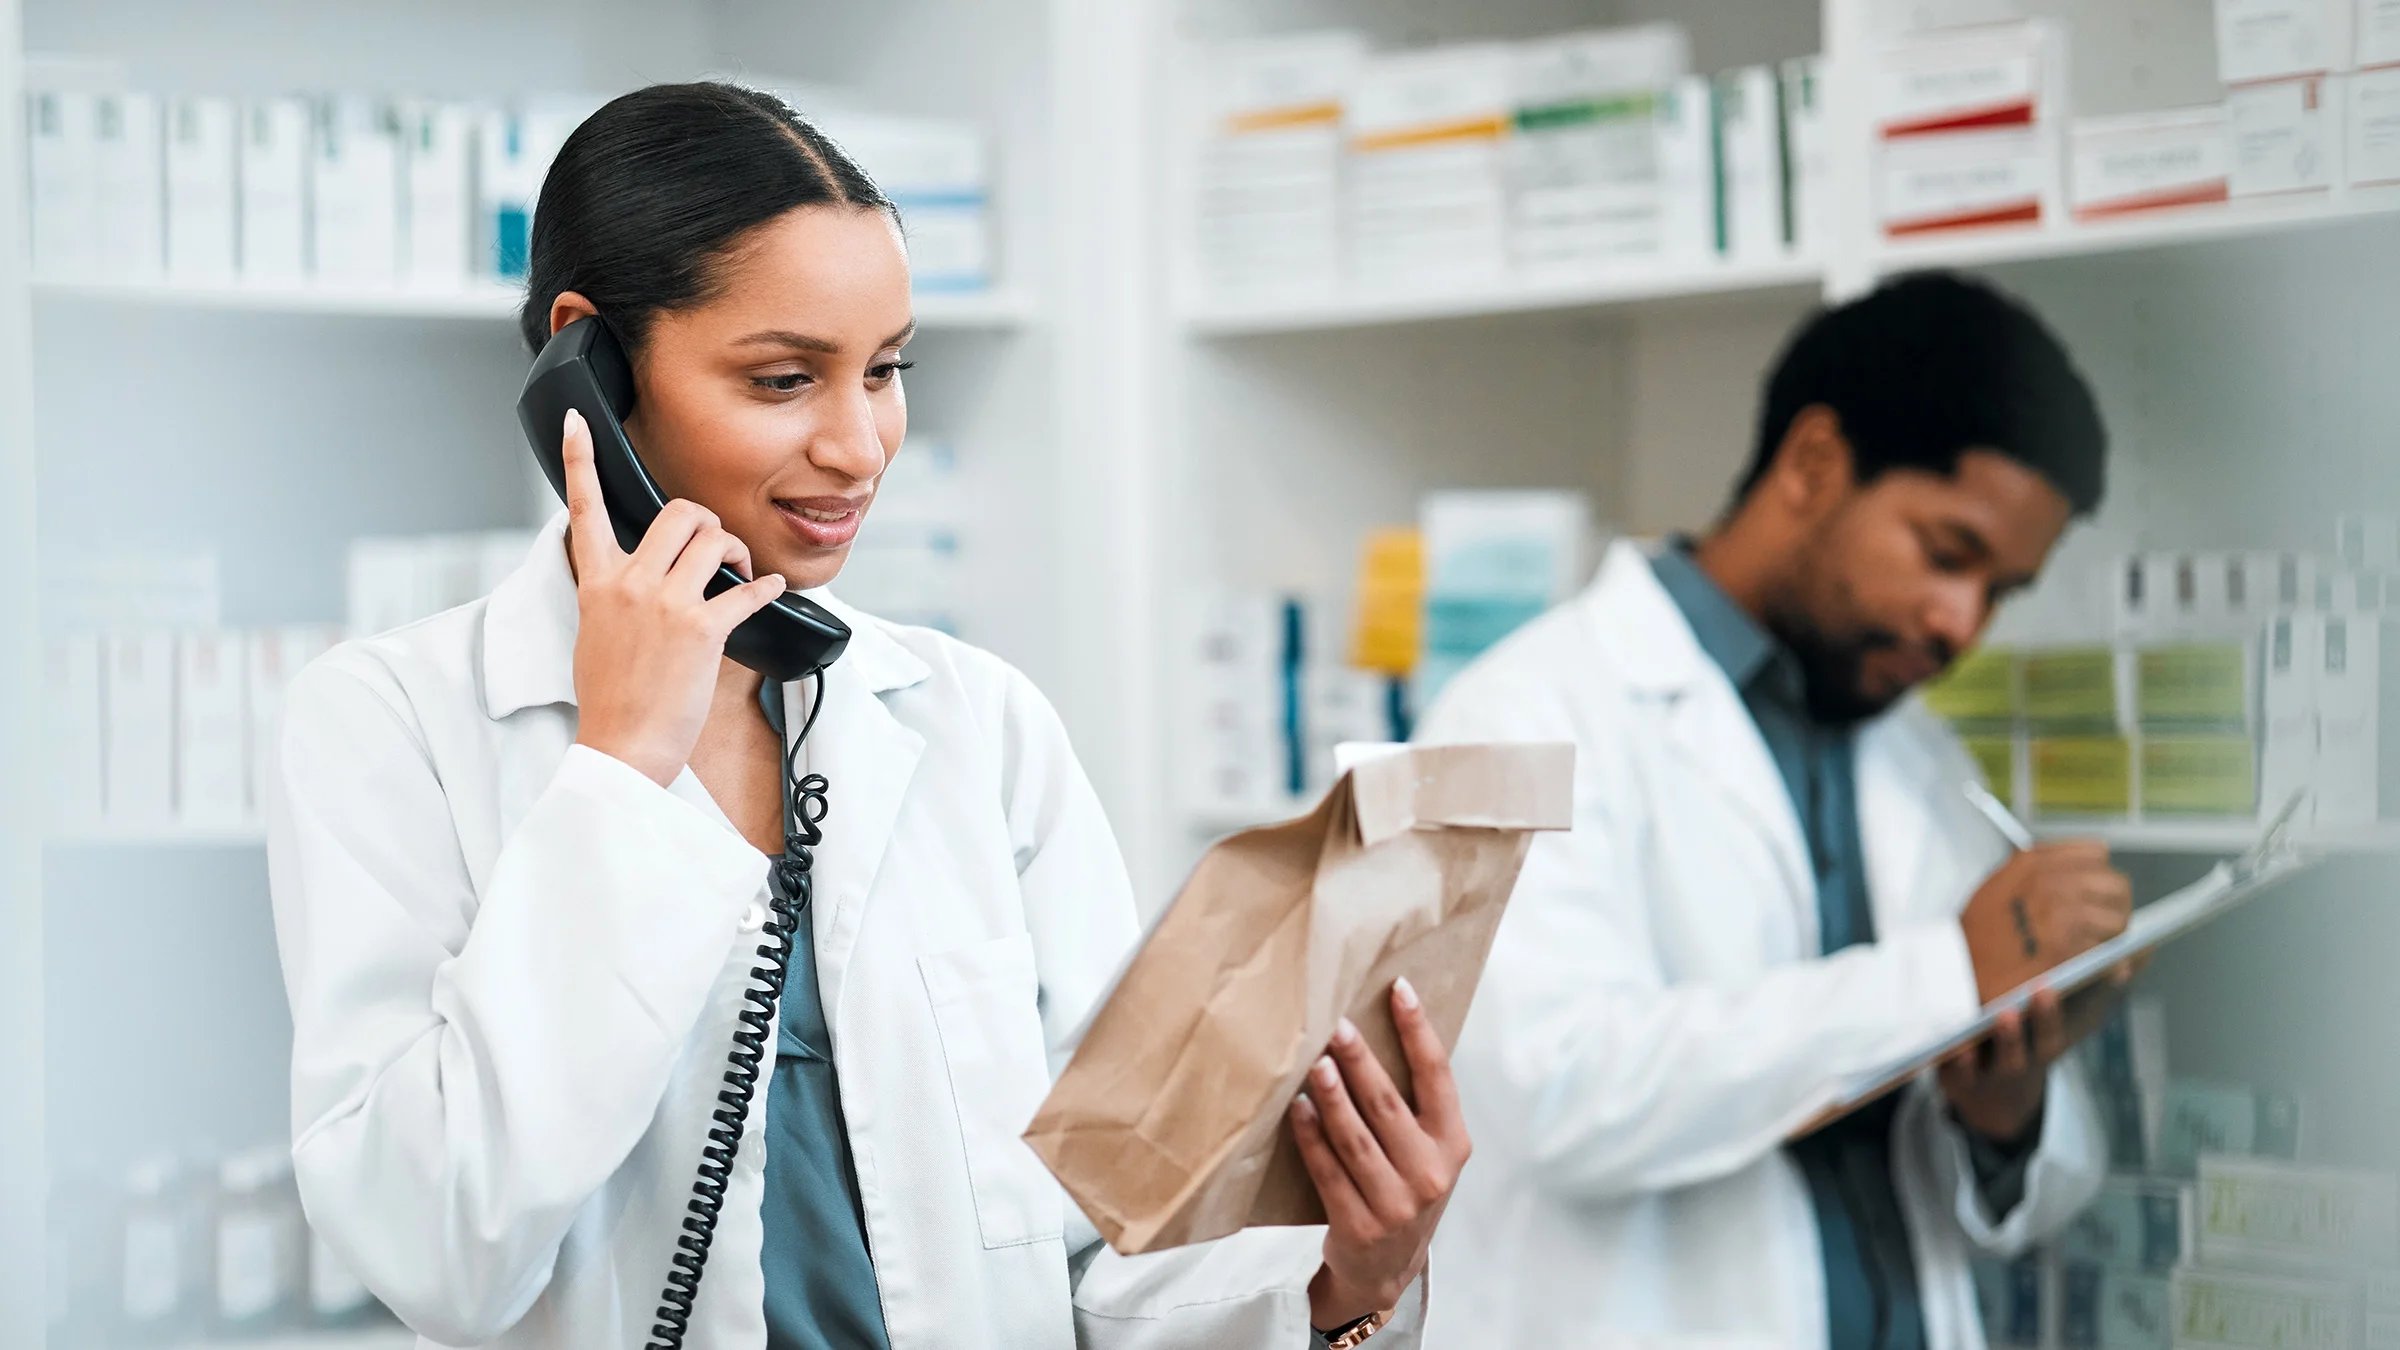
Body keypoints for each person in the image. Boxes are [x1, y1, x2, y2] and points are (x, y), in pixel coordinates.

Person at [266, 83, 1465, 1350]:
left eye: (886, 371)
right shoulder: (388, 723)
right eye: (785, 379)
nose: (860, 447)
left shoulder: (978, 725)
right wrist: (618, 773)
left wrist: (1342, 1281)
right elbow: (439, 1248)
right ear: (592, 364)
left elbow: (1122, 1244)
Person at [1415, 273, 2132, 1349]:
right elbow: (1555, 1092)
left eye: (2001, 592)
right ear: (1812, 464)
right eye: (1947, 555)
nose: (1961, 623)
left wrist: (2005, 1110)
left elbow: (2022, 1186)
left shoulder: (1923, 758)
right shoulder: (1510, 712)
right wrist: (1948, 977)